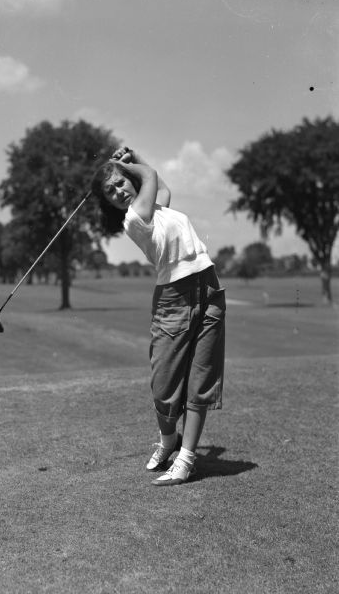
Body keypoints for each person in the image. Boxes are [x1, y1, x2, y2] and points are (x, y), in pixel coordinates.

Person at [91, 146, 226, 486]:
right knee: (164, 384)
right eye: (111, 191)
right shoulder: (135, 218)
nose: (119, 191)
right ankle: (168, 441)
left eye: (120, 183)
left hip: (208, 289)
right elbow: (149, 177)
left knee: (200, 379)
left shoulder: (158, 210)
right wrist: (129, 165)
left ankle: (186, 458)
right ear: (108, 202)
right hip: (173, 299)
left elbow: (162, 188)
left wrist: (132, 156)